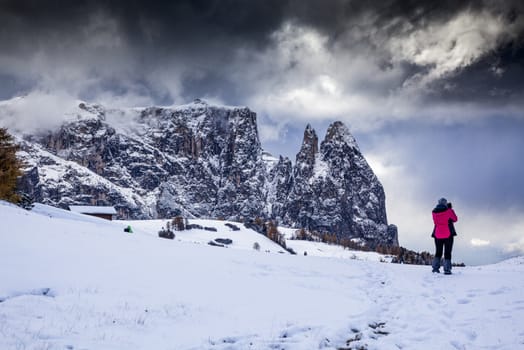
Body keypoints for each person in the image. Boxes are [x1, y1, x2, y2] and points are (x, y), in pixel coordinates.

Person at [431, 198, 458, 274]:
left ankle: (435, 268)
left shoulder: (434, 212)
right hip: (448, 234)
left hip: (437, 234)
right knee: (447, 252)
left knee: (438, 252)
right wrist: (450, 209)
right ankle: (447, 269)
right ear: (445, 203)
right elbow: (455, 219)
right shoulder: (449, 211)